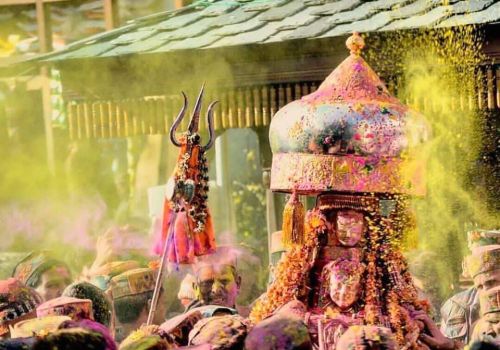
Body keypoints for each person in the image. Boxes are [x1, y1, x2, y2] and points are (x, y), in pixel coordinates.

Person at [108, 267, 166, 342]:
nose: (165, 310)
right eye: (164, 303)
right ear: (151, 306)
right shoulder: (159, 345)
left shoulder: (108, 343)